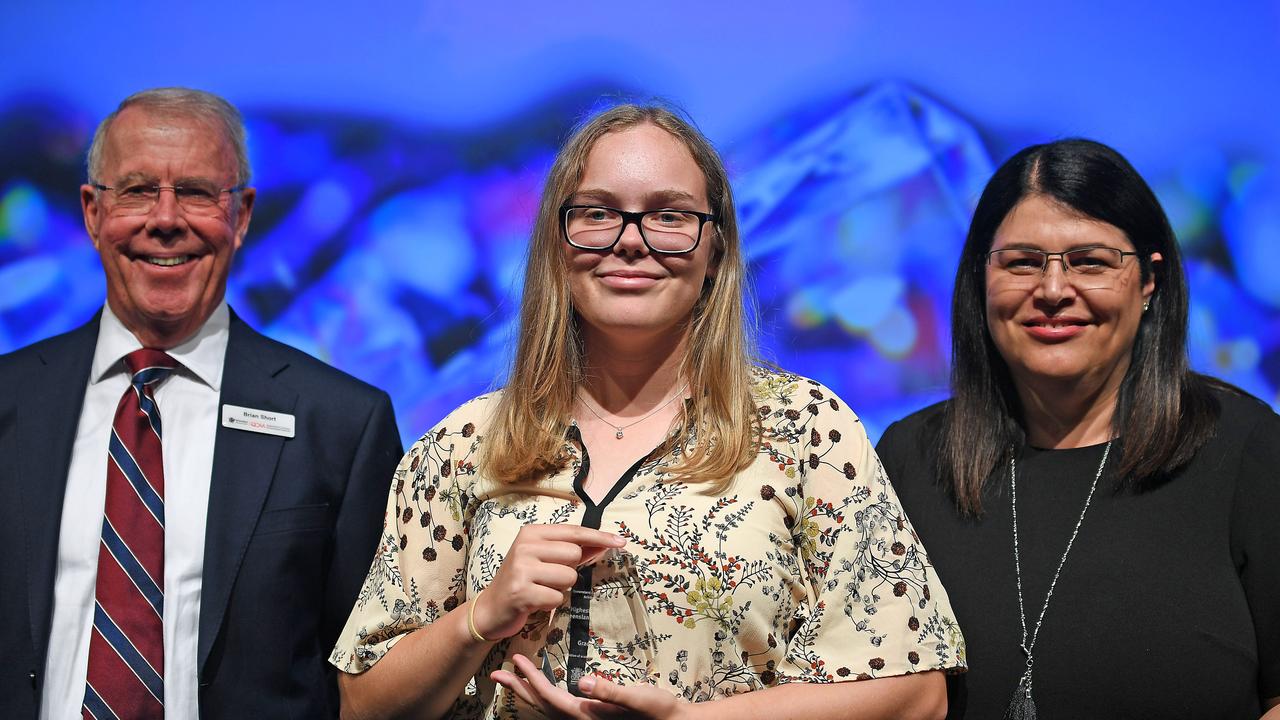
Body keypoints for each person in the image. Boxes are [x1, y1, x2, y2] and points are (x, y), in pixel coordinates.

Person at [331, 103, 966, 720]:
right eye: (599, 213)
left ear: (715, 250)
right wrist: (480, 617)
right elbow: (363, 705)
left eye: (668, 216)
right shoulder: (464, 444)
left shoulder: (806, 430)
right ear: (557, 241)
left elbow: (914, 692)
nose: (630, 242)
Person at [0, 87, 403, 719]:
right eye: (135, 191)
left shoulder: (342, 425)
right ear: (92, 212)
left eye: (194, 192)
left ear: (241, 216)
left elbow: (374, 678)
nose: (165, 218)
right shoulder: (9, 401)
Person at [877, 139, 1280, 719]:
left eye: (1090, 261)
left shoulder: (1245, 448)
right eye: (1021, 262)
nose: (1053, 291)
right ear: (979, 280)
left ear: (1149, 282)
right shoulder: (911, 459)